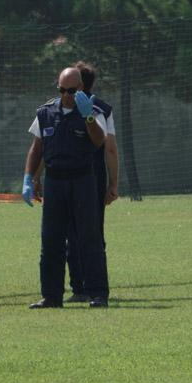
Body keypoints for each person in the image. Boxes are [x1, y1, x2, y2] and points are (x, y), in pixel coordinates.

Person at [22, 66, 107, 308]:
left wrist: (88, 116)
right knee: (51, 240)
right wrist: (29, 179)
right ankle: (51, 295)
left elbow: (99, 141)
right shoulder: (45, 113)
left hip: (82, 181)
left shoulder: (92, 111)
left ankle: (98, 294)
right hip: (55, 182)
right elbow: (37, 148)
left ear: (81, 88)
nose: (67, 95)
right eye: (62, 90)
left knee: (89, 239)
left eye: (71, 90)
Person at [65, 61, 118, 303]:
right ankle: (95, 285)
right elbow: (111, 150)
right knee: (94, 233)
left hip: (64, 179)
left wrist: (34, 178)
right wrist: (113, 184)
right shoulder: (103, 109)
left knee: (70, 232)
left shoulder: (59, 107)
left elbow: (43, 144)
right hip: (94, 181)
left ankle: (78, 287)